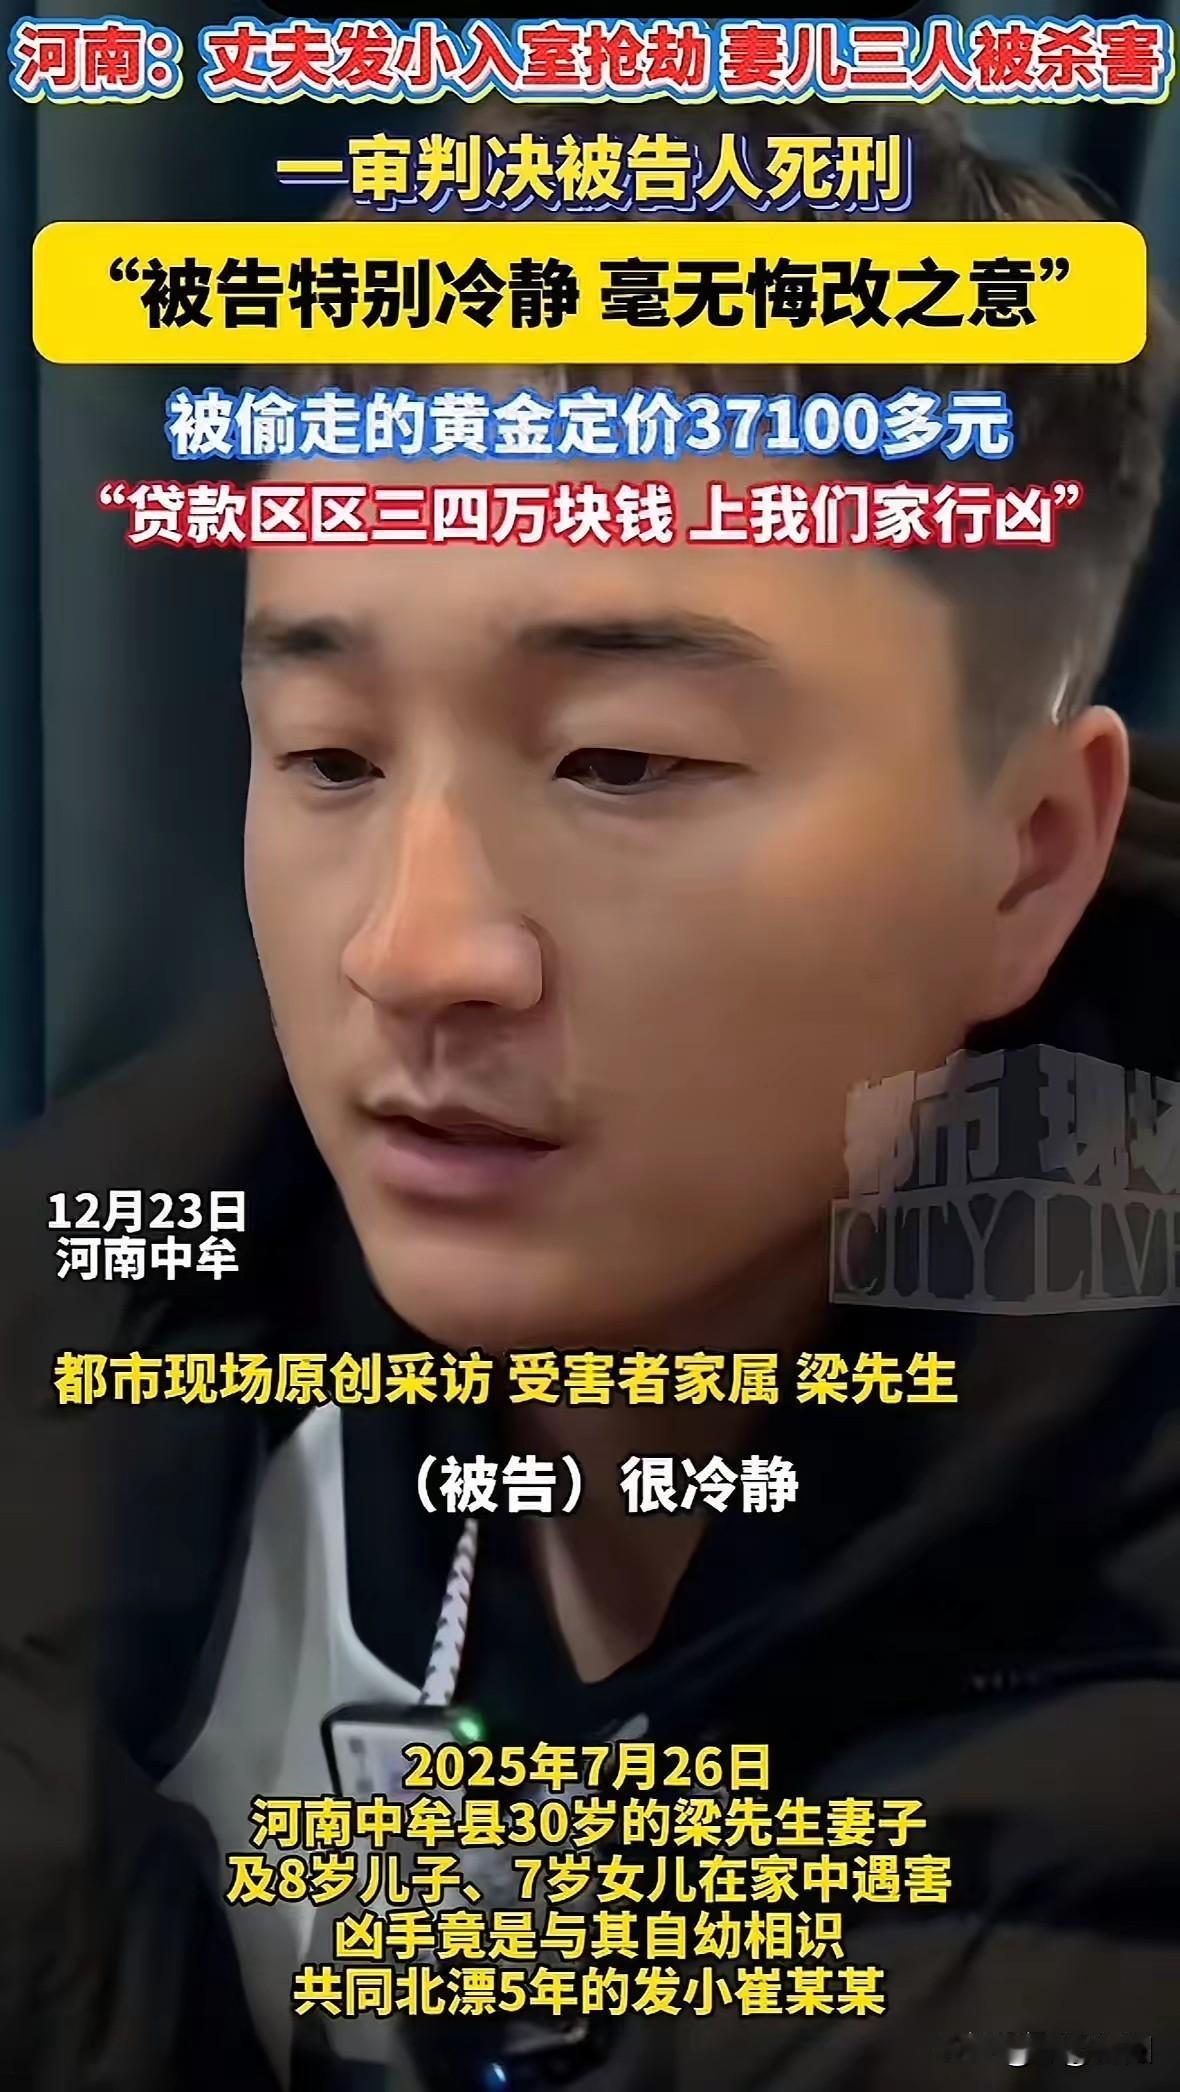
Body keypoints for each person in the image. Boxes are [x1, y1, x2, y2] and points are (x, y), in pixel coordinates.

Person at [2, 94, 1179, 2092]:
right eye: (330, 755)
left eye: (620, 761)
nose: (416, 950)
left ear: (1026, 860)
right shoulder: (104, 1350)